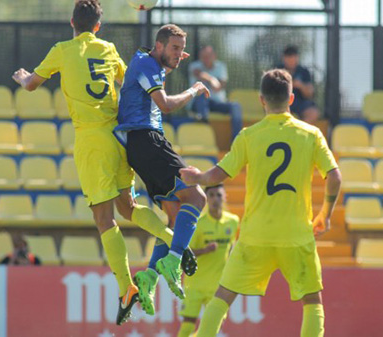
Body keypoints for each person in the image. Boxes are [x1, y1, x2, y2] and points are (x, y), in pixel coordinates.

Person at [11, 0, 194, 325]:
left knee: (104, 218)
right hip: (119, 137)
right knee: (128, 208)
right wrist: (170, 61)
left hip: (91, 141)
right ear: (98, 25)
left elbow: (32, 85)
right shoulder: (109, 49)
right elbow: (135, 78)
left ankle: (127, 288)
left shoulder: (62, 50)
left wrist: (24, 76)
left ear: (72, 23)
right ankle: (172, 240)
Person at [180, 69, 342, 337]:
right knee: (312, 302)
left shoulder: (248, 135)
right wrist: (325, 213)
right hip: (297, 235)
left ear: (261, 100)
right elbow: (335, 177)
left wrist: (198, 176)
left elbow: (218, 174)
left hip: (256, 236)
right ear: (291, 99)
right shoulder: (311, 134)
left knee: (222, 297)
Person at [115, 24, 210, 315]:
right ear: (158, 46)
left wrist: (173, 60)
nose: (179, 54)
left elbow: (152, 83)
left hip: (140, 145)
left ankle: (148, 278)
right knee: (197, 198)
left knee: (172, 219)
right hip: (147, 139)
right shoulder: (147, 64)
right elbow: (165, 105)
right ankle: (175, 258)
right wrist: (194, 89)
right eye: (174, 48)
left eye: (182, 49)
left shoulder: (147, 62)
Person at [177, 185, 239, 337]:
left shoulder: (233, 221)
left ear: (224, 197)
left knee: (213, 326)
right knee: (187, 326)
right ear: (206, 199)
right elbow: (184, 253)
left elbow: (232, 247)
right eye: (211, 195)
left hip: (218, 285)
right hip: (195, 284)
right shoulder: (198, 224)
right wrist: (205, 250)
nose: (215, 199)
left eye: (219, 195)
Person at [189, 45, 242, 139]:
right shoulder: (194, 66)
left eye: (208, 56)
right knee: (202, 96)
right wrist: (212, 79)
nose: (205, 59)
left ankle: (236, 139)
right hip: (198, 103)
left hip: (217, 103)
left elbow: (219, 87)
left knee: (235, 106)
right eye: (203, 56)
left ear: (214, 56)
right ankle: (204, 131)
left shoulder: (221, 66)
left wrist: (211, 81)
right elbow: (198, 74)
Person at [279, 45, 319, 125]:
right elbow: (270, 91)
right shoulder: (277, 70)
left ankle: (298, 133)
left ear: (297, 57)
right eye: (288, 57)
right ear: (284, 58)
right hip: (281, 102)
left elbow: (309, 94)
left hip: (300, 102)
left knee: (313, 113)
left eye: (293, 57)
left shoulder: (304, 72)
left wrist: (301, 86)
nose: (291, 60)